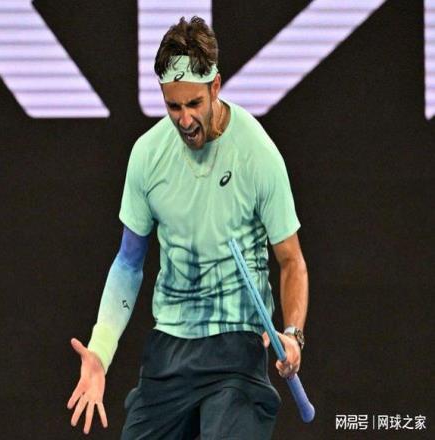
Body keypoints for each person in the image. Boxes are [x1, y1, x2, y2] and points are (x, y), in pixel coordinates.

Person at [67, 16, 308, 439]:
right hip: (170, 349)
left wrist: (292, 335)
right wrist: (100, 352)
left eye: (194, 103)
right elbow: (128, 263)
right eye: (173, 106)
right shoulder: (147, 155)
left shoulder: (258, 154)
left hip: (236, 346)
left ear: (215, 87)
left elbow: (292, 263)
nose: (184, 119)